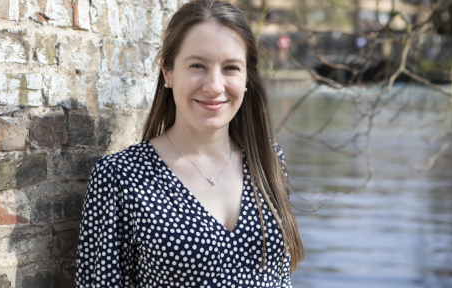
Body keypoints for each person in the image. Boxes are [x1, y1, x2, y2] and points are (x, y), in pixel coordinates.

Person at [75, 0, 304, 287]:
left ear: (247, 77)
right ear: (167, 72)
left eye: (231, 67)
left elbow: (281, 278)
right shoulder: (120, 176)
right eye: (197, 65)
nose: (214, 86)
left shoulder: (268, 158)